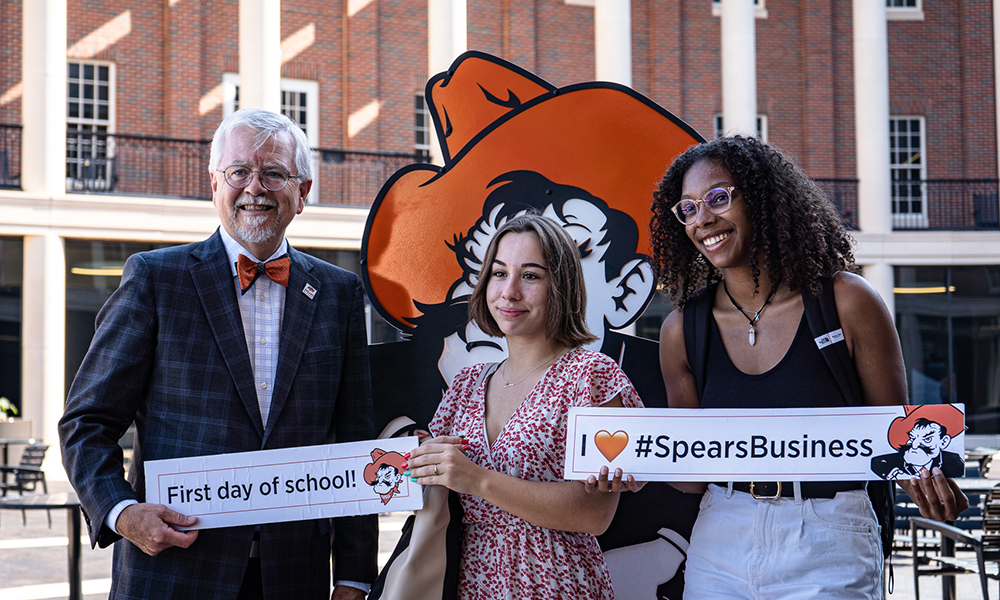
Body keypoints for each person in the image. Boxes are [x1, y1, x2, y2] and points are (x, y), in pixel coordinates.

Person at [59, 109, 377, 600]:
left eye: (274, 173)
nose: (256, 187)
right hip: (172, 572)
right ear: (214, 184)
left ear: (303, 192)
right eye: (239, 172)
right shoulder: (154, 279)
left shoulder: (338, 293)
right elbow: (86, 421)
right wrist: (122, 512)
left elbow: (354, 441)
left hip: (295, 577)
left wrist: (354, 576)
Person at [635, 134, 968, 598]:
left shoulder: (847, 302)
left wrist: (926, 482)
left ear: (762, 198)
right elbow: (691, 472)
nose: (703, 218)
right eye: (687, 208)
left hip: (830, 535)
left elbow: (892, 437)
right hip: (722, 535)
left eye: (717, 198)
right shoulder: (681, 330)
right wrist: (627, 466)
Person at [403, 213, 641, 599]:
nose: (509, 292)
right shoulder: (466, 384)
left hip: (556, 583)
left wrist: (476, 478)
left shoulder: (590, 376)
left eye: (530, 276)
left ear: (560, 286)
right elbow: (435, 488)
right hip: (470, 582)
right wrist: (421, 464)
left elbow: (594, 515)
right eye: (499, 273)